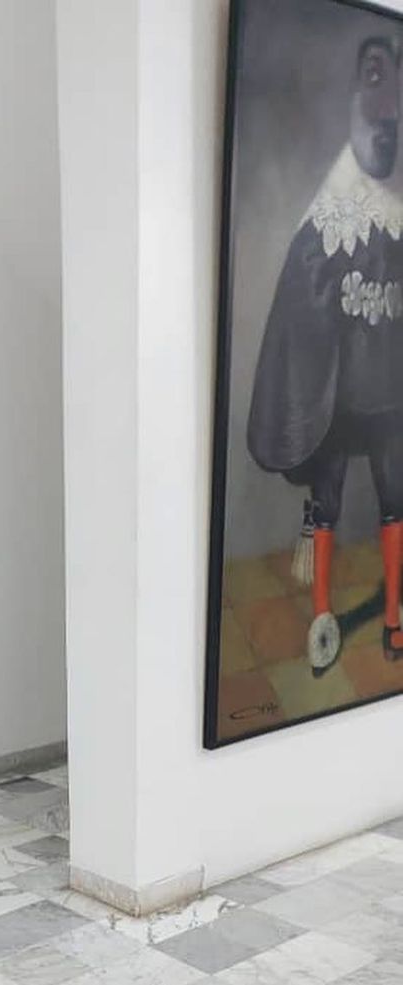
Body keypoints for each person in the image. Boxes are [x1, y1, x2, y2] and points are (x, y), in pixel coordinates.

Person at [248, 34, 403, 675]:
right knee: (329, 502)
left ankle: (393, 616)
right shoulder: (328, 215)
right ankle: (321, 617)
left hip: (389, 394)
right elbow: (303, 300)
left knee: (396, 498)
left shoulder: (397, 212)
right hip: (338, 395)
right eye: (377, 77)